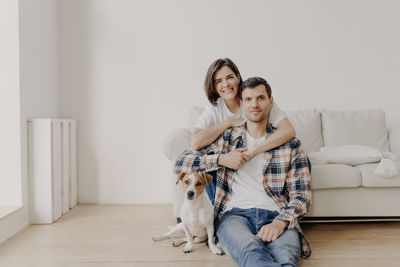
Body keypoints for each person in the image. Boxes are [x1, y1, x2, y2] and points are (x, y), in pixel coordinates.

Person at [175, 77, 312, 266]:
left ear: (270, 102)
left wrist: (280, 222)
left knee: (286, 257)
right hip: (234, 216)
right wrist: (221, 158)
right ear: (241, 103)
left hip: (277, 215)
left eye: (260, 98)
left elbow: (302, 195)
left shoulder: (290, 146)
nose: (254, 104)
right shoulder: (226, 139)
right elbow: (181, 162)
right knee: (251, 251)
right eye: (248, 99)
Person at [192, 58, 297, 204]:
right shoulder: (215, 109)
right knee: (207, 167)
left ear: (238, 78)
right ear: (214, 86)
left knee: (302, 161)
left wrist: (254, 150)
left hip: (259, 156)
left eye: (229, 77)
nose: (226, 84)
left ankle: (286, 208)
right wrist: (228, 123)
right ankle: (215, 213)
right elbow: (195, 142)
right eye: (219, 81)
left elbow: (289, 130)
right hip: (231, 165)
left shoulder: (254, 99)